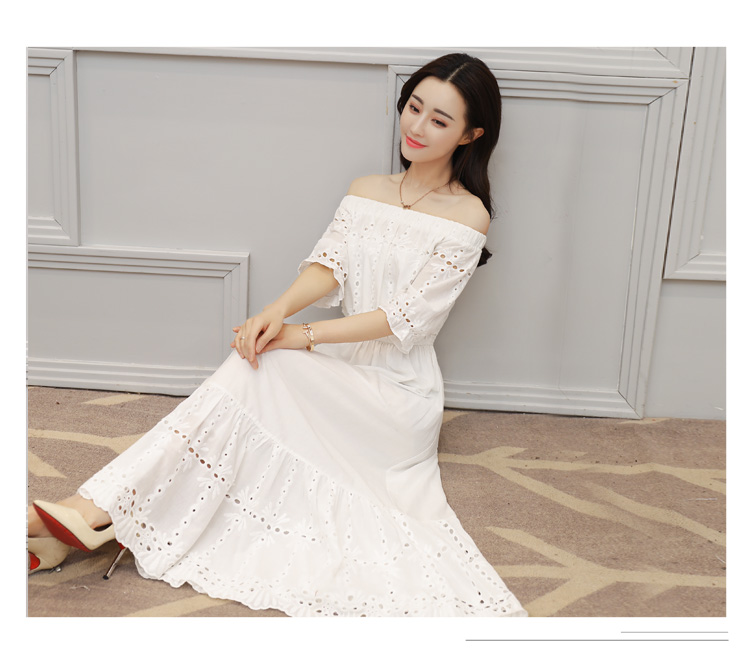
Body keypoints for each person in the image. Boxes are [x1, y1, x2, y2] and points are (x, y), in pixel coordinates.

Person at [28, 52, 528, 618]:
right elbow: (329, 267)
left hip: (396, 395)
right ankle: (92, 514)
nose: (417, 126)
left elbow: (402, 319)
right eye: (413, 107)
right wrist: (276, 312)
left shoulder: (469, 215)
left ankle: (92, 510)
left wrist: (302, 336)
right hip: (333, 367)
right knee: (256, 361)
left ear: (471, 134)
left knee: (267, 363)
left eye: (439, 120)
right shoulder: (368, 188)